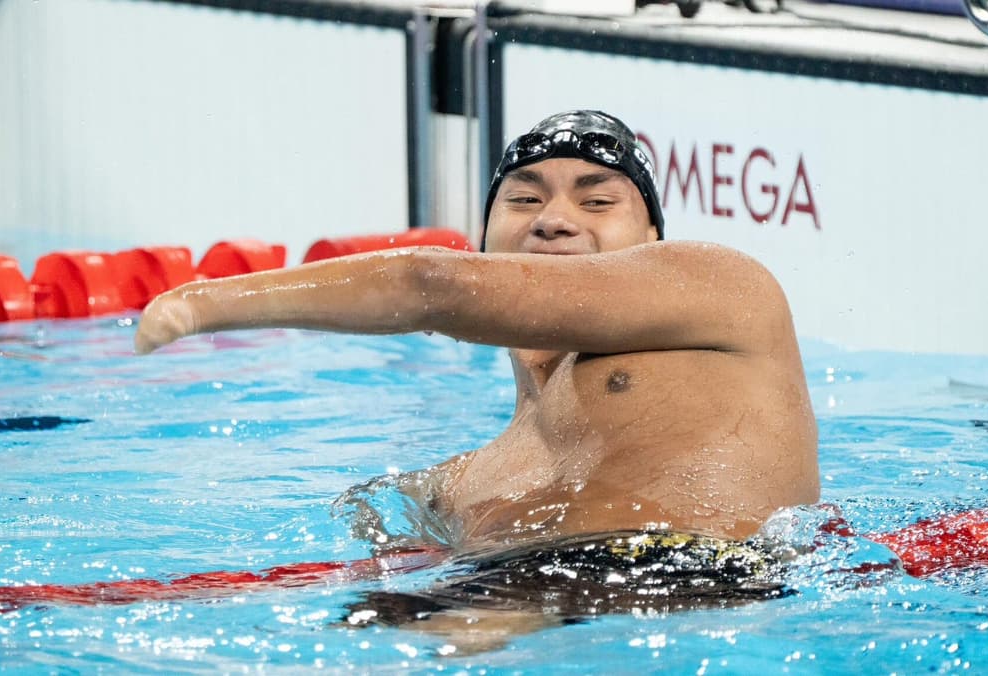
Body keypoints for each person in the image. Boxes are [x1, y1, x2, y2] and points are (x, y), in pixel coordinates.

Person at [135, 110, 818, 643]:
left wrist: (203, 302)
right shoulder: (466, 479)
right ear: (488, 241)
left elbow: (430, 283)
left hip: (701, 581)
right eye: (523, 199)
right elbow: (385, 512)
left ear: (652, 241)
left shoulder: (725, 288)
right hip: (540, 598)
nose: (553, 221)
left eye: (597, 201)